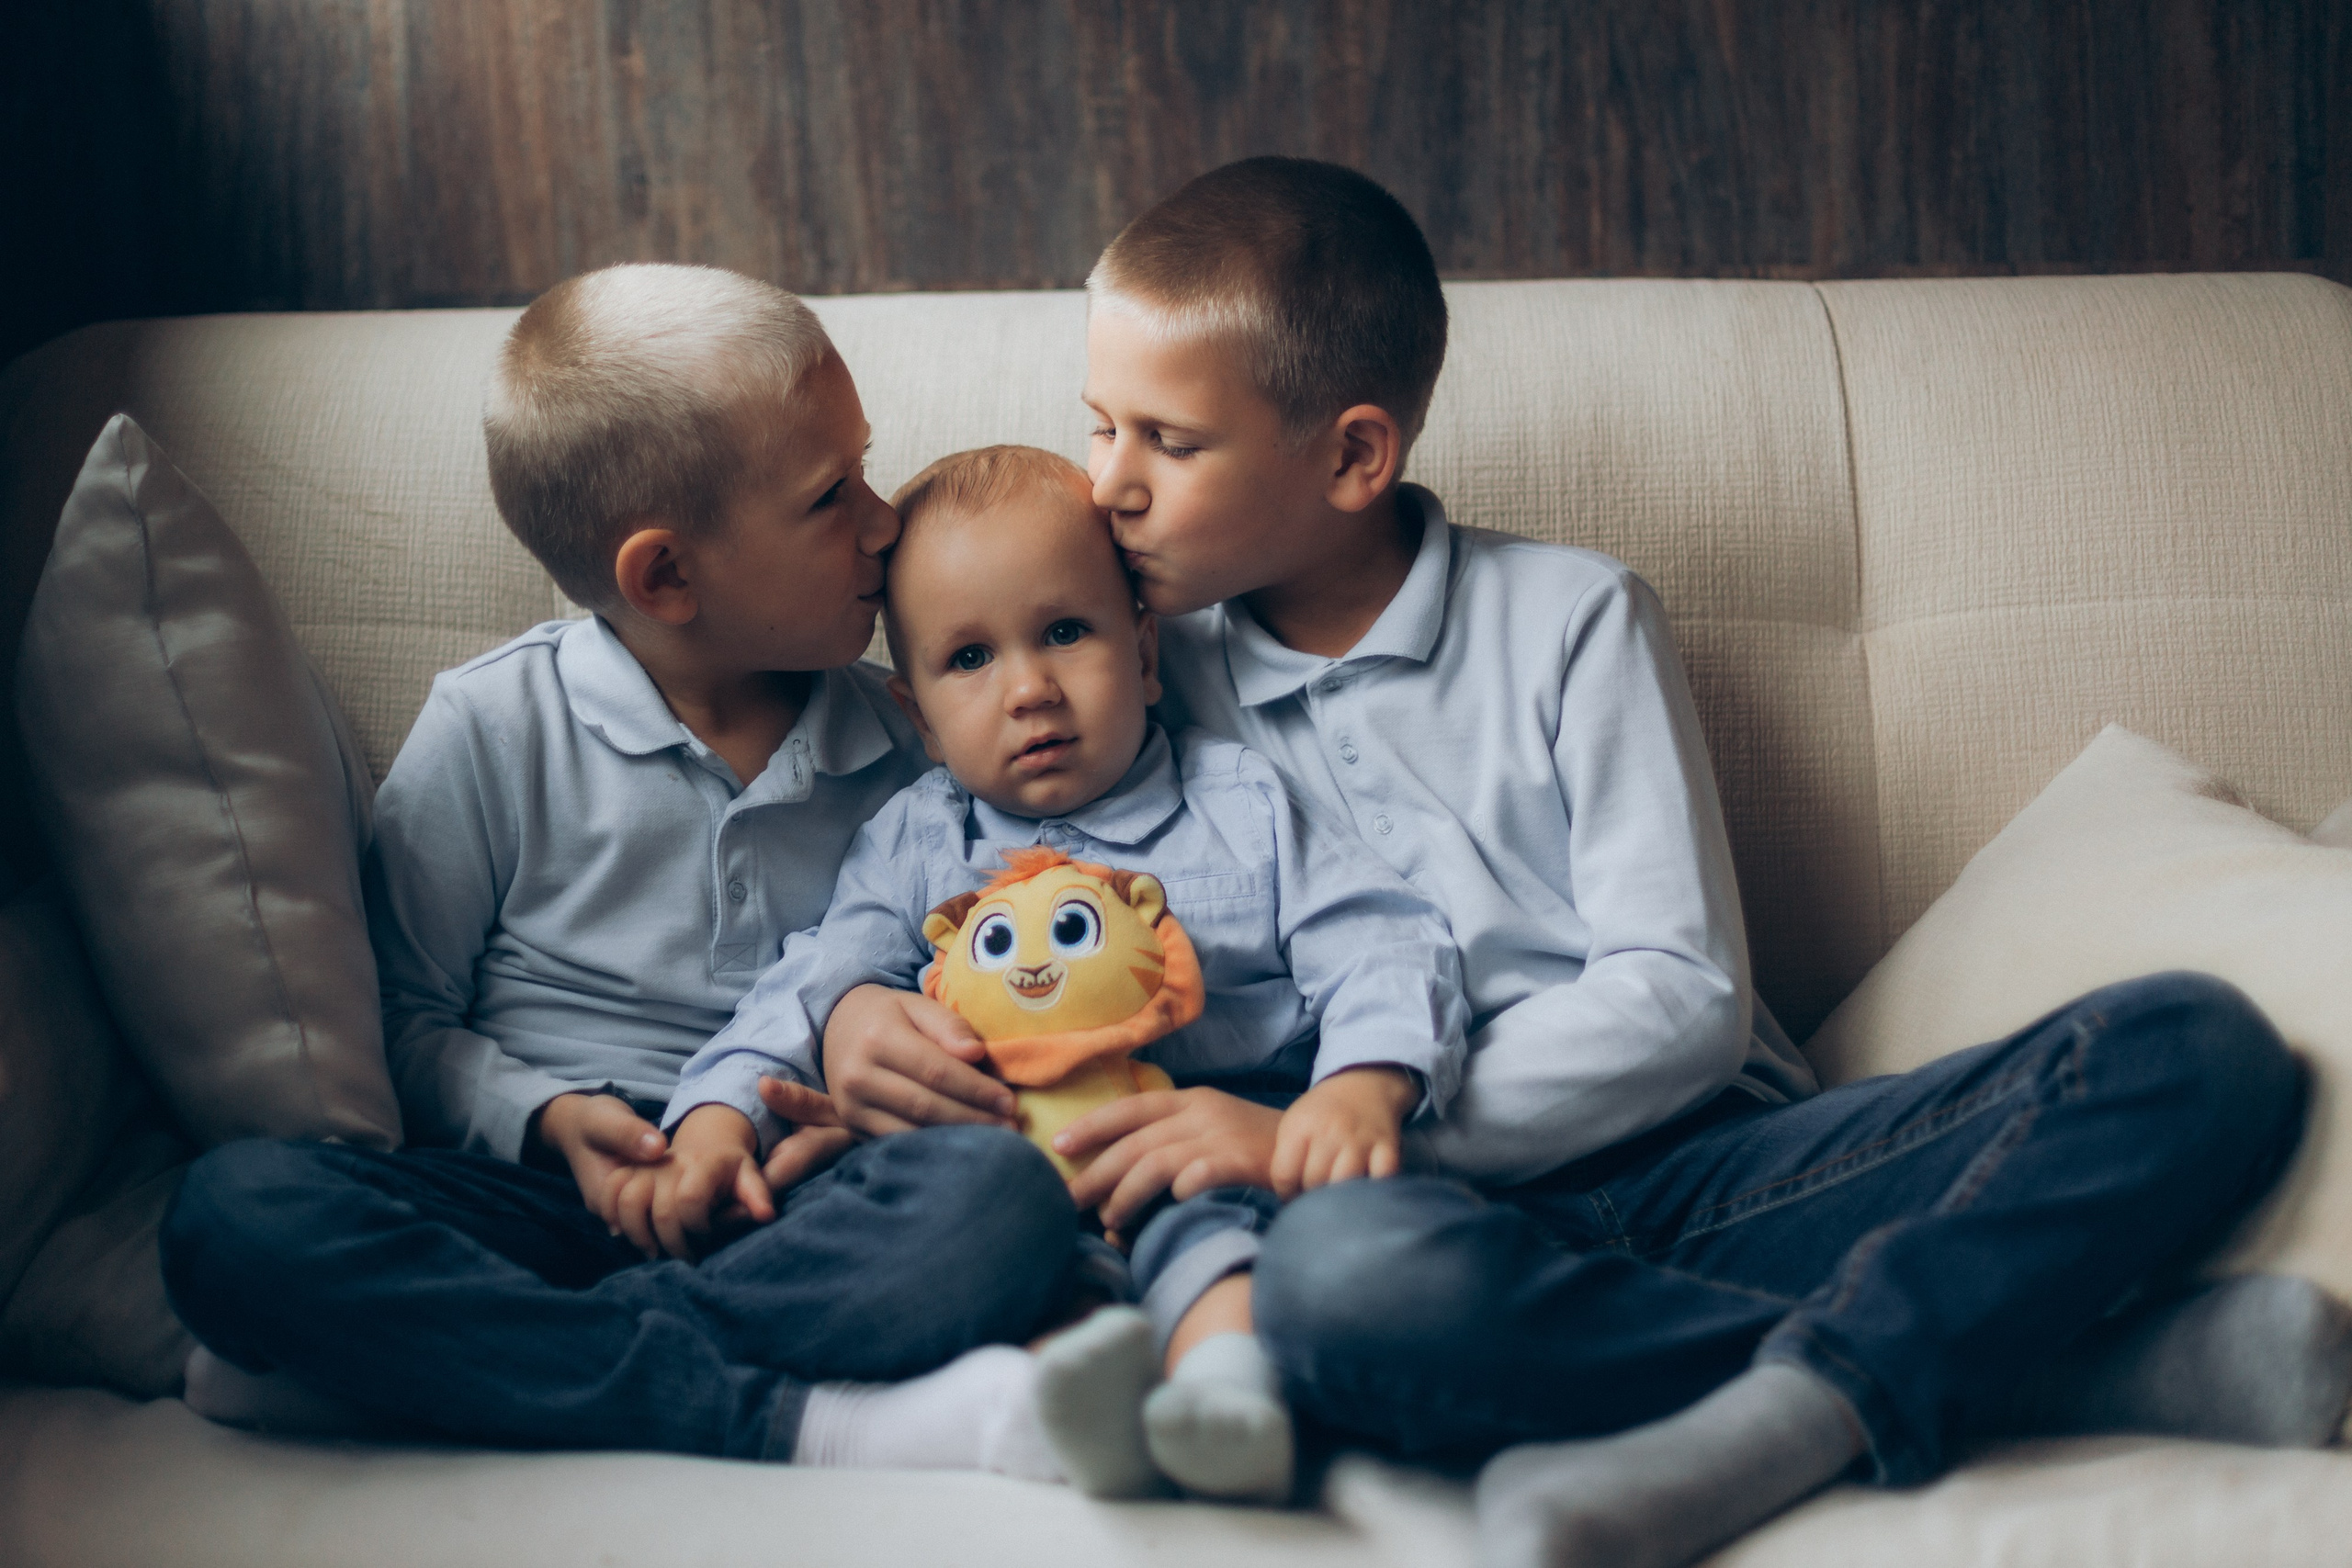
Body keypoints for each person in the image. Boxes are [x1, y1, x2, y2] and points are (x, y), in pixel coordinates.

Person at [834, 156, 2349, 1568]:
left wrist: (1359, 1127)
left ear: (1355, 452)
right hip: (1398, 1227)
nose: (1109, 486)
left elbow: (1681, 995)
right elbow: (937, 853)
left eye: (1166, 440)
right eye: (1100, 426)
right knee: (1339, 1294)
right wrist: (849, 1010)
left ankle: (1827, 1393)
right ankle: (2044, 1367)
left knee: (2190, 1046)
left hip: (1697, 1166)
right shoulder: (1120, 662)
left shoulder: (1570, 618)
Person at [158, 263, 1098, 1482]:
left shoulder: (917, 737)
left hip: (791, 1203)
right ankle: (798, 1419)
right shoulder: (495, 727)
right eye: (831, 495)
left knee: (1003, 1199)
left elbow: (961, 980)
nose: (883, 521)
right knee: (235, 1216)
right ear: (665, 576)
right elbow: (393, 1018)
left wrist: (857, 1100)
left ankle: (429, 1371)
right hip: (548, 1202)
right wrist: (546, 1120)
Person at [673, 443, 1468, 1500]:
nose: (1030, 690)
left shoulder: (1238, 803)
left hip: (1206, 1147)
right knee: (999, 1244)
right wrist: (718, 1114)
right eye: (969, 661)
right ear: (917, 716)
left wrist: (1364, 1084)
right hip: (1009, 1181)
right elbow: (819, 979)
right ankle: (1083, 1403)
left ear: (1145, 656)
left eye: (1064, 633)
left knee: (1216, 1228)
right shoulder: (919, 840)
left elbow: (1378, 938)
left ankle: (1229, 1394)